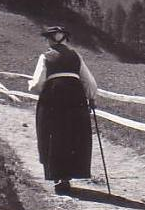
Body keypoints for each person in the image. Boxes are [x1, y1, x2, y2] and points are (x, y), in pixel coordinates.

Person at [27, 26, 98, 194]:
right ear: (65, 39)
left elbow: (38, 83)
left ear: (51, 40)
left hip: (53, 98)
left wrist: (33, 88)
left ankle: (58, 176)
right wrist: (91, 97)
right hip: (75, 98)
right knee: (73, 134)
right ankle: (67, 176)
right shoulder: (76, 56)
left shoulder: (46, 57)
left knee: (52, 134)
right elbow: (89, 81)